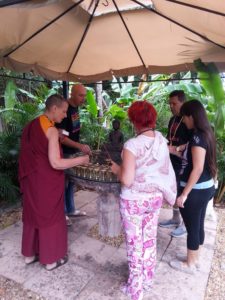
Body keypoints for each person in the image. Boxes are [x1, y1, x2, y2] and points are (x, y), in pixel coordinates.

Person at [111, 100, 177, 300]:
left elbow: (127, 179)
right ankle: (147, 280)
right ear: (152, 119)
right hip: (154, 200)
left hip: (134, 201)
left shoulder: (132, 144)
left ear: (134, 121)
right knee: (149, 240)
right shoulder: (160, 139)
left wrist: (117, 169)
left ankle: (136, 290)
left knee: (134, 244)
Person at [19, 94, 89, 270]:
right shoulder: (50, 130)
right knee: (50, 218)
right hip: (46, 182)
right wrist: (81, 160)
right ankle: (51, 260)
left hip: (31, 180)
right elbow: (56, 163)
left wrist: (55, 135)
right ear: (55, 109)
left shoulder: (33, 124)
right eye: (64, 111)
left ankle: (29, 255)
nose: (65, 115)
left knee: (33, 214)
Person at [170, 100, 216, 274]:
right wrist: (171, 148)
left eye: (185, 118)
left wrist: (184, 195)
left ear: (191, 116)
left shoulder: (196, 137)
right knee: (198, 225)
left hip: (196, 191)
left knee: (192, 227)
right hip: (206, 187)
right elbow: (184, 150)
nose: (184, 122)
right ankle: (195, 258)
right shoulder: (206, 133)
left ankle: (189, 264)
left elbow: (196, 169)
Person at [56, 84, 91, 224]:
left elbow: (70, 132)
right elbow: (61, 136)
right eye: (80, 95)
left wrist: (79, 146)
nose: (83, 98)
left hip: (73, 152)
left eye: (84, 95)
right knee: (63, 184)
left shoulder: (75, 108)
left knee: (71, 182)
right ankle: (62, 213)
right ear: (72, 94)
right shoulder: (65, 110)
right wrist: (79, 146)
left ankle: (71, 209)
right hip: (64, 154)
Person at [159, 90, 190, 237]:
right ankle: (175, 218)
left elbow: (192, 144)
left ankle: (185, 224)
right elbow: (169, 139)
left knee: (183, 192)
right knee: (174, 190)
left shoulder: (188, 120)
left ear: (182, 102)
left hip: (184, 163)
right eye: (170, 103)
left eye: (174, 103)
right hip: (172, 161)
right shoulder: (173, 119)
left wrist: (176, 149)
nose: (171, 106)